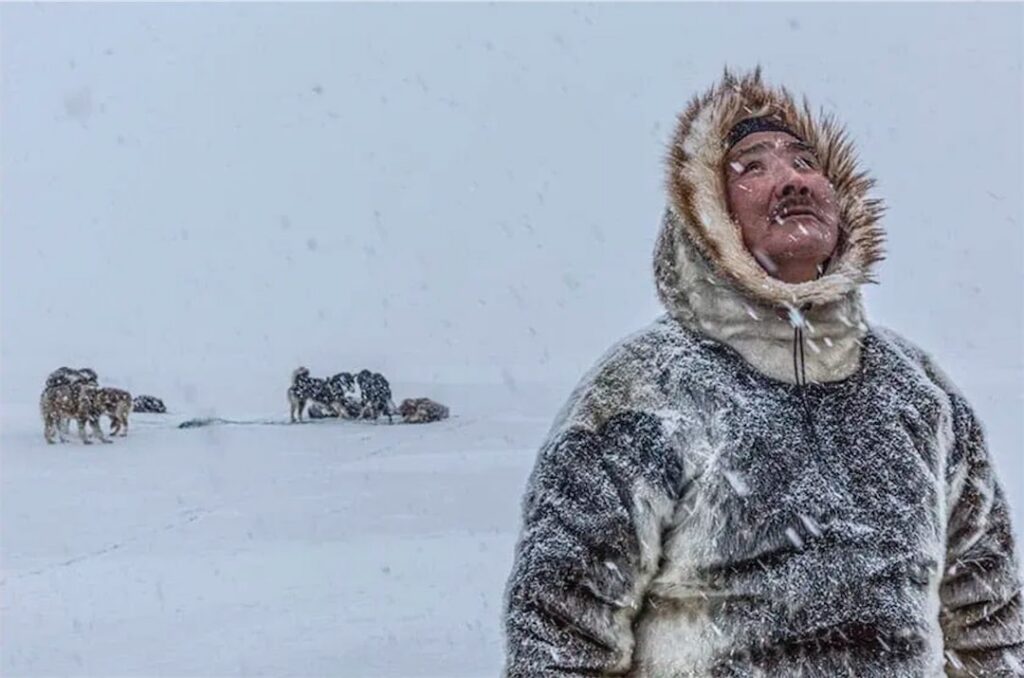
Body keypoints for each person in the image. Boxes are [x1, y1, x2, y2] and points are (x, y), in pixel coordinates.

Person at [502, 69, 1024, 677]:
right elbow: (559, 636)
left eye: (805, 161)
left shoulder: (917, 391)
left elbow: (989, 620)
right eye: (752, 166)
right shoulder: (645, 390)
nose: (792, 178)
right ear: (708, 218)